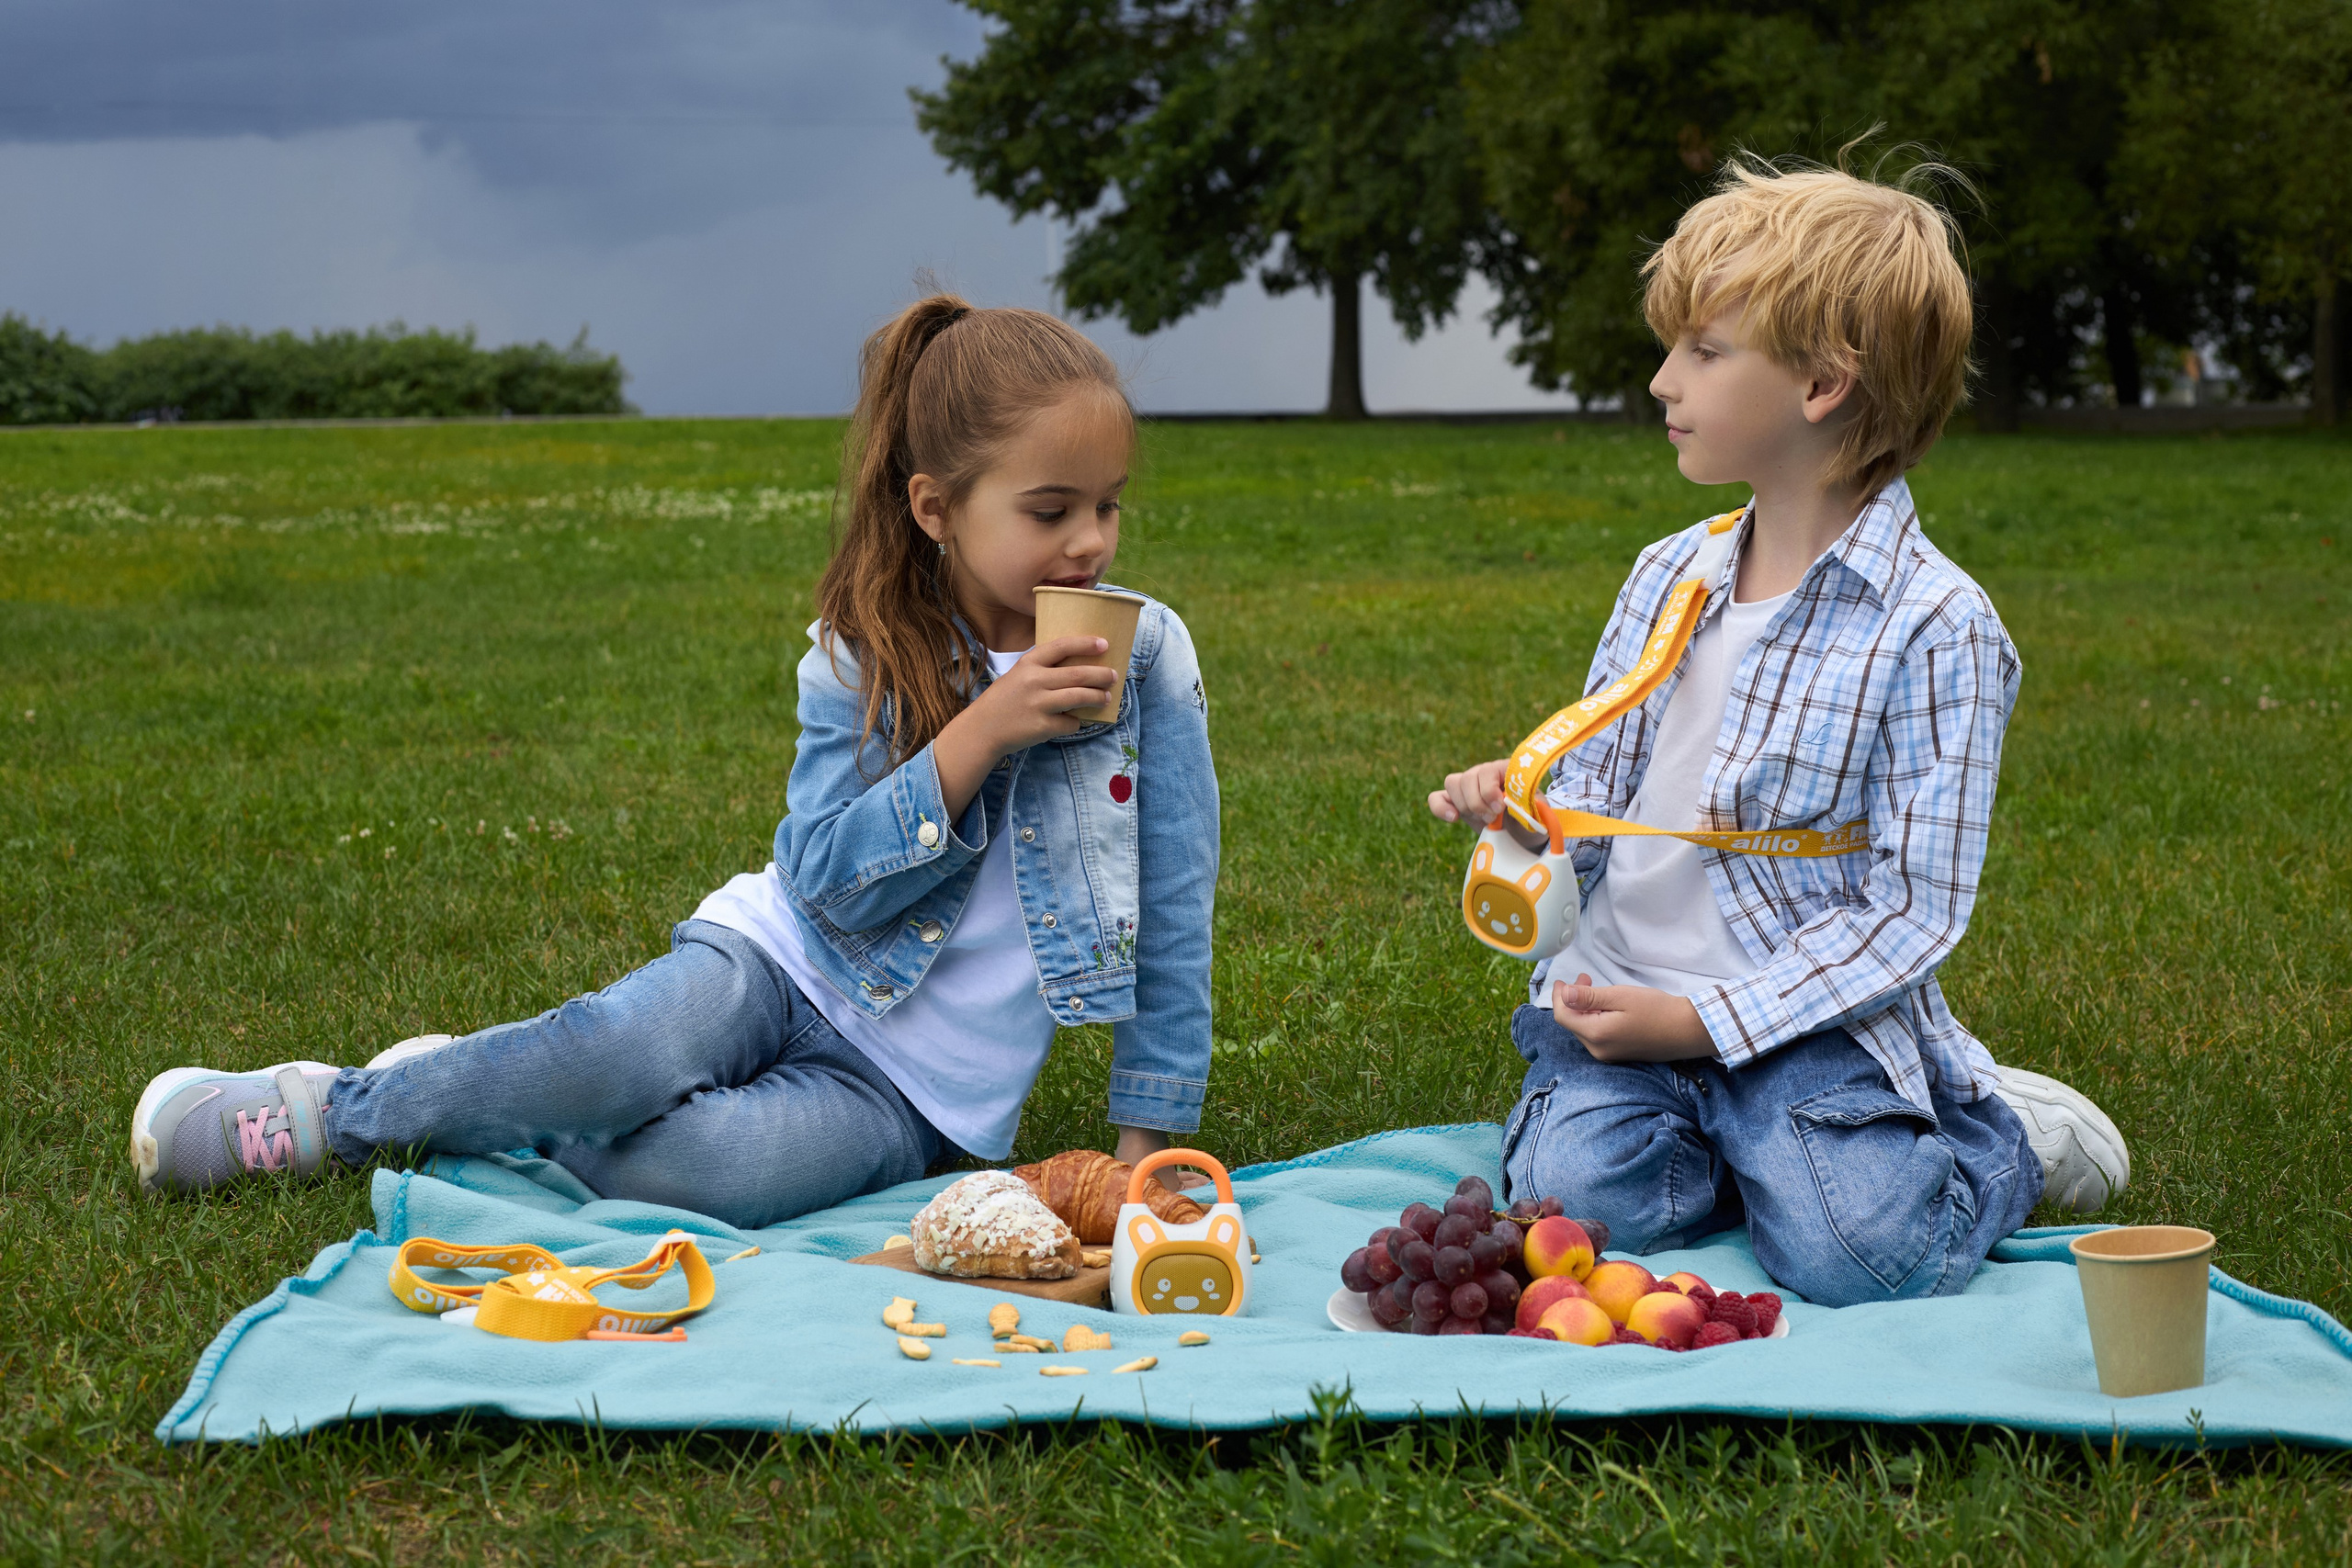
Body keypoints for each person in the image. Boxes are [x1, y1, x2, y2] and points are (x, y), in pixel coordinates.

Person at [130, 296, 1220, 1229]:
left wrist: (1146, 1154)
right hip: (779, 964)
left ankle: (485, 1090)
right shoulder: (864, 649)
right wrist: (981, 735)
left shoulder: (1146, 658)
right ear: (936, 507)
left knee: (704, 1174)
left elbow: (1172, 904)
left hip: (914, 1096)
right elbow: (825, 882)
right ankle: (340, 1113)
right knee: (612, 1054)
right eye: (1050, 510)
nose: (1090, 541)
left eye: (1108, 504)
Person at [1428, 163, 2129, 1308]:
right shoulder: (1669, 572)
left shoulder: (1936, 626)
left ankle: (2000, 1135)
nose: (1662, 378)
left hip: (1799, 1020)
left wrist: (1706, 1021)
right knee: (1568, 1212)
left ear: (1821, 383)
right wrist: (1524, 803)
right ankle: (1746, 1153)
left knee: (1863, 1255)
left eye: (1704, 352)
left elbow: (1911, 909)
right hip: (1621, 1003)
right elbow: (1599, 788)